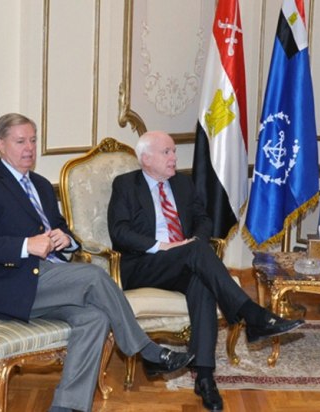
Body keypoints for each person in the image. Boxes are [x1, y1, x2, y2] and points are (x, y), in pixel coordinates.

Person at [0, 113, 196, 412]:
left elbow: (65, 231)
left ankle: (66, 407)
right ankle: (146, 350)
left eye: (33, 140)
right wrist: (25, 245)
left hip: (51, 280)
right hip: (12, 284)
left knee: (94, 318)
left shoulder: (42, 185)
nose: (29, 148)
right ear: (0, 145)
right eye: (20, 141)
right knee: (93, 276)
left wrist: (66, 240)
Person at [107, 130, 305, 411]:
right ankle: (251, 315)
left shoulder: (183, 185)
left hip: (185, 261)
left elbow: (203, 220)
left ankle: (205, 376)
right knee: (197, 252)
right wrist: (160, 245)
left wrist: (193, 243)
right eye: (167, 152)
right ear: (146, 158)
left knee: (201, 280)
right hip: (142, 265)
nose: (174, 157)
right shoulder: (126, 185)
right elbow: (119, 232)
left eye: (174, 151)